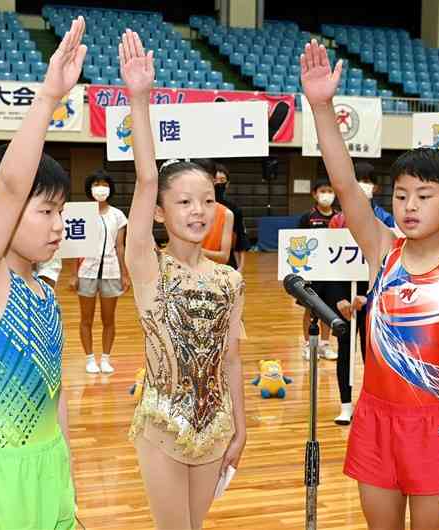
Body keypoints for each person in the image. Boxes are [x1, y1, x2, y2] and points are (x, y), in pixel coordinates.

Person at [302, 39, 439, 530]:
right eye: (402, 194)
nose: (409, 206)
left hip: (436, 424)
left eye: (423, 196)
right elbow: (344, 183)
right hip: (375, 418)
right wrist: (322, 105)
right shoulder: (382, 251)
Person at [0, 17, 85, 529]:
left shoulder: (44, 291)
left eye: (61, 211)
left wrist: (67, 469)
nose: (59, 225)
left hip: (50, 465)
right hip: (1, 476)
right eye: (45, 212)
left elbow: (58, 394)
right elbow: (11, 187)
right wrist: (50, 96)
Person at [120, 29, 247, 530]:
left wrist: (240, 426)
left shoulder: (229, 279)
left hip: (216, 428)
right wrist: (139, 99)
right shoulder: (148, 266)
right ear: (158, 211)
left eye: (207, 201)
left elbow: (233, 355)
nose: (198, 211)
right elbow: (147, 176)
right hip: (161, 425)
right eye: (184, 201)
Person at [329, 162, 396, 425]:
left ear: (375, 187)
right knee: (345, 350)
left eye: (368, 181)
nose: (363, 186)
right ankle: (346, 404)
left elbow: (391, 263)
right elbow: (329, 266)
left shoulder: (387, 220)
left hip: (373, 296)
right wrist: (339, 298)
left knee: (374, 354)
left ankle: (373, 404)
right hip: (345, 299)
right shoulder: (336, 221)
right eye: (359, 181)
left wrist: (370, 295)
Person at [70, 169, 129, 375]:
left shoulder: (118, 215)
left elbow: (120, 246)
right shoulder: (82, 215)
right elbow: (75, 246)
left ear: (110, 188)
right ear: (90, 189)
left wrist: (124, 273)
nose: (100, 188)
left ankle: (105, 358)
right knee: (86, 318)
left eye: (104, 184)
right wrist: (73, 274)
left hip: (111, 270)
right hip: (87, 270)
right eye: (96, 184)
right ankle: (89, 359)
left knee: (109, 319)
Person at [298, 180, 339, 361]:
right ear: (315, 194)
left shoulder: (339, 217)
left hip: (333, 272)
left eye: (330, 191)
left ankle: (324, 344)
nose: (327, 194)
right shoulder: (307, 217)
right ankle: (308, 345)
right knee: (310, 308)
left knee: (327, 309)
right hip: (312, 273)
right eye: (323, 191)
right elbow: (298, 244)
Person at [213, 162, 250, 272]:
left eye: (222, 180)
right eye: (215, 180)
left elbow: (240, 239)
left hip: (227, 262)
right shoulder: (199, 206)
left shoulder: (234, 209)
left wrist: (241, 267)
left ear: (227, 184)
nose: (218, 183)